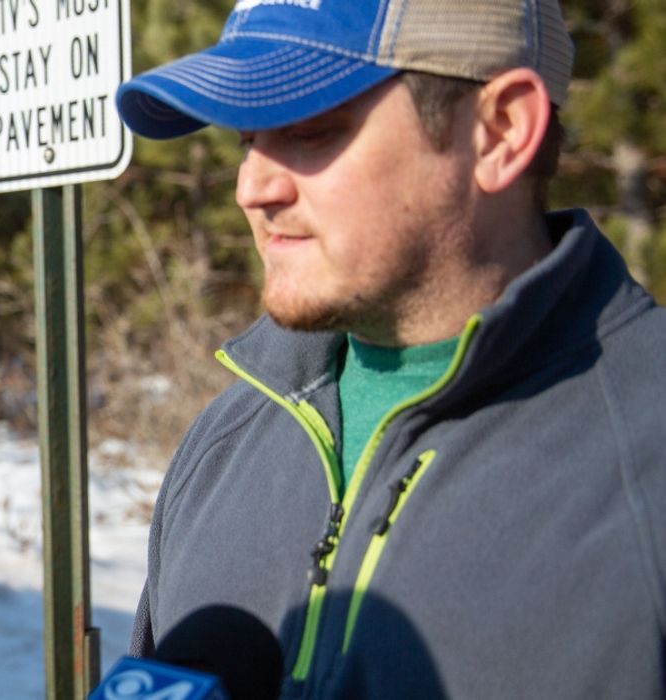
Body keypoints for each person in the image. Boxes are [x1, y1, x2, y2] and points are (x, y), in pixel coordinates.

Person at [116, 1, 666, 698]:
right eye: (246, 140)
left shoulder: (646, 454)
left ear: (500, 132)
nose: (251, 188)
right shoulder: (225, 443)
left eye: (310, 130)